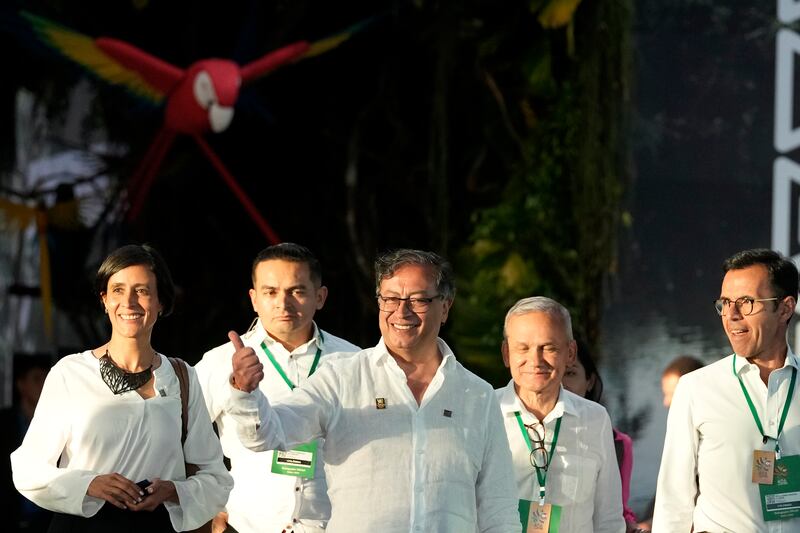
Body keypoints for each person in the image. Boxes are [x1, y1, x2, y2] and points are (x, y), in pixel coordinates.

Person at [226, 248, 521, 533]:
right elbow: (268, 433)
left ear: (445, 306)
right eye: (390, 299)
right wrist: (245, 392)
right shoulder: (340, 377)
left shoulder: (477, 395)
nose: (401, 312)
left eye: (417, 300)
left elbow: (499, 508)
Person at [11, 244, 233, 532]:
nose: (128, 302)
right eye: (117, 290)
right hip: (82, 526)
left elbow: (215, 478)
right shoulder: (70, 373)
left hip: (157, 525)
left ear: (161, 302)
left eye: (141, 290)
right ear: (104, 299)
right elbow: (28, 469)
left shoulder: (182, 377)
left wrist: (174, 490)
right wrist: (90, 484)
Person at [195, 243, 360, 533]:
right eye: (270, 292)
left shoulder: (354, 361)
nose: (283, 304)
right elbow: (179, 441)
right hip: (245, 524)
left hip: (334, 524)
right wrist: (204, 512)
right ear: (254, 298)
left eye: (297, 291)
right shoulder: (220, 361)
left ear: (320, 297)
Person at [653, 248, 800, 531]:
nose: (731, 315)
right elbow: (673, 502)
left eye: (746, 302)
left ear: (785, 308)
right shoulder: (695, 389)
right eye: (725, 303)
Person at [497, 296, 625, 533]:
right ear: (506, 354)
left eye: (549, 348)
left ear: (570, 353)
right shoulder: (484, 414)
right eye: (522, 348)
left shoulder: (595, 419)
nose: (535, 361)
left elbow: (608, 518)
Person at [562, 340, 639, 531]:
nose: (562, 384)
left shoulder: (617, 444)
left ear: (590, 381)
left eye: (570, 373)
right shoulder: (513, 424)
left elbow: (615, 508)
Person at [1, 353, 53, 533]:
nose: (43, 385)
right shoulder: (4, 423)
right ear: (21, 385)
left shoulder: (57, 422)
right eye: (37, 379)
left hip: (45, 519)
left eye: (46, 379)